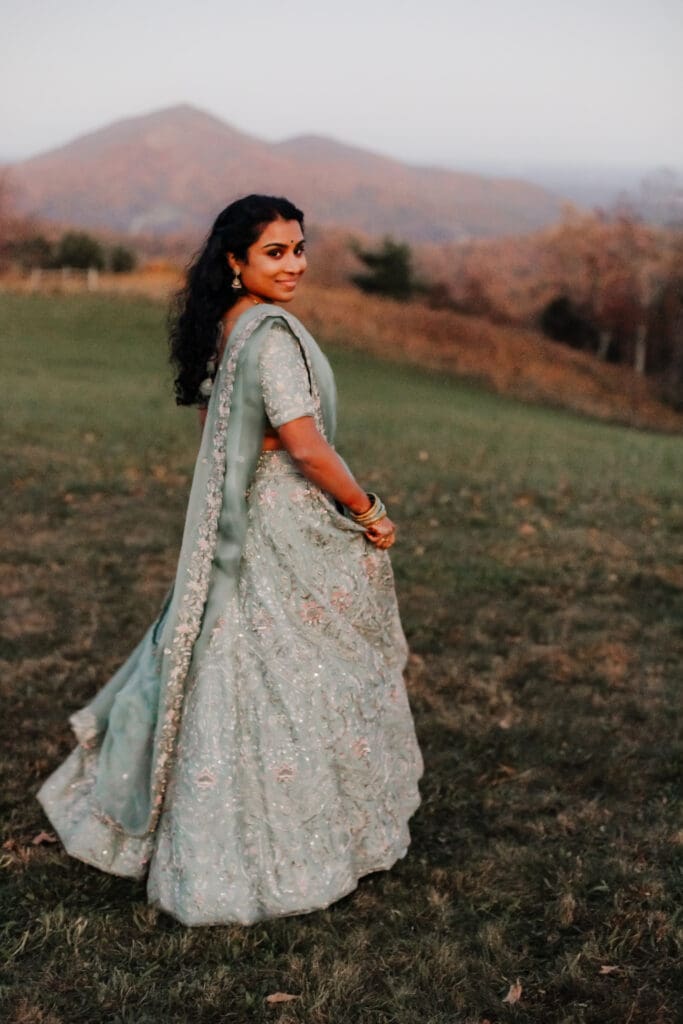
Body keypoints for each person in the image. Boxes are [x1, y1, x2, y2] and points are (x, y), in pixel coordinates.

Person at [37, 194, 424, 926]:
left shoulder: (227, 325)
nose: (294, 264)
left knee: (245, 656)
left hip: (246, 510)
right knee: (285, 666)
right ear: (235, 261)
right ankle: (275, 844)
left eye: (299, 248)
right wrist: (367, 509)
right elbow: (305, 444)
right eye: (275, 252)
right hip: (277, 518)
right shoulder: (270, 337)